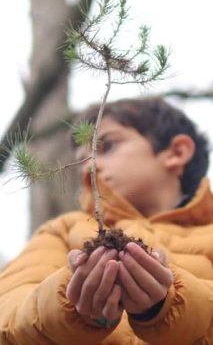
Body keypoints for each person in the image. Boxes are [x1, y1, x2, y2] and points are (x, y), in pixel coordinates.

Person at [0, 96, 212, 345]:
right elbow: (8, 317)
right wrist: (71, 305)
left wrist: (170, 304)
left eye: (107, 146)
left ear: (176, 153)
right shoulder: (62, 231)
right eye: (82, 159)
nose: (89, 167)